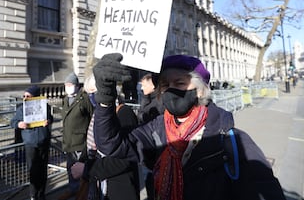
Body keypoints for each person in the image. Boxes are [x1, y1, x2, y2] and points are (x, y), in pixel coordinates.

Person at [92, 53, 286, 200]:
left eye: (180, 83)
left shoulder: (231, 139)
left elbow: (267, 192)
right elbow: (111, 144)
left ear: (200, 91)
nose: (172, 89)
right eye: (166, 85)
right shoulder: (155, 130)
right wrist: (105, 98)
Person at [71, 74, 140, 200]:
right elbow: (91, 146)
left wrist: (87, 169)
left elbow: (125, 159)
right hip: (98, 187)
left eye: (93, 91)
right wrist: (81, 162)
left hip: (118, 189)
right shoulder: (98, 114)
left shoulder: (124, 114)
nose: (91, 97)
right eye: (88, 93)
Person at [10, 85, 53, 200]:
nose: (25, 98)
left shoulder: (45, 107)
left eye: (28, 96)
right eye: (24, 96)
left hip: (43, 142)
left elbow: (51, 118)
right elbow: (13, 122)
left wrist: (48, 121)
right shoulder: (21, 108)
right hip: (30, 143)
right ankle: (33, 195)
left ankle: (41, 194)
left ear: (35, 97)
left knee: (43, 170)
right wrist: (19, 124)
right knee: (33, 170)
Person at [58, 72, 94, 200]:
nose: (68, 87)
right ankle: (73, 191)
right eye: (66, 84)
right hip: (68, 142)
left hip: (80, 142)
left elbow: (92, 117)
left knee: (81, 171)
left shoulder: (84, 99)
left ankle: (82, 194)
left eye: (70, 84)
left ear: (77, 85)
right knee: (71, 170)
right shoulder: (66, 100)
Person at [137, 72, 164, 200]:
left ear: (153, 85)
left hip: (156, 154)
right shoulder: (148, 99)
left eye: (144, 85)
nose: (141, 88)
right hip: (147, 153)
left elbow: (143, 118)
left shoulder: (159, 103)